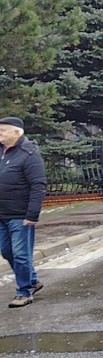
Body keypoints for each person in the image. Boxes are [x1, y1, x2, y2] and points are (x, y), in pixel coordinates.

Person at [0, 117, 47, 308]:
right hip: (1, 214)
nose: (0, 133)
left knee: (21, 254)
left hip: (20, 215)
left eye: (3, 130)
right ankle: (33, 280)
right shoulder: (1, 152)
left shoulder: (29, 154)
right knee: (7, 252)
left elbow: (38, 185)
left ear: (16, 133)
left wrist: (32, 215)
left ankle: (24, 292)